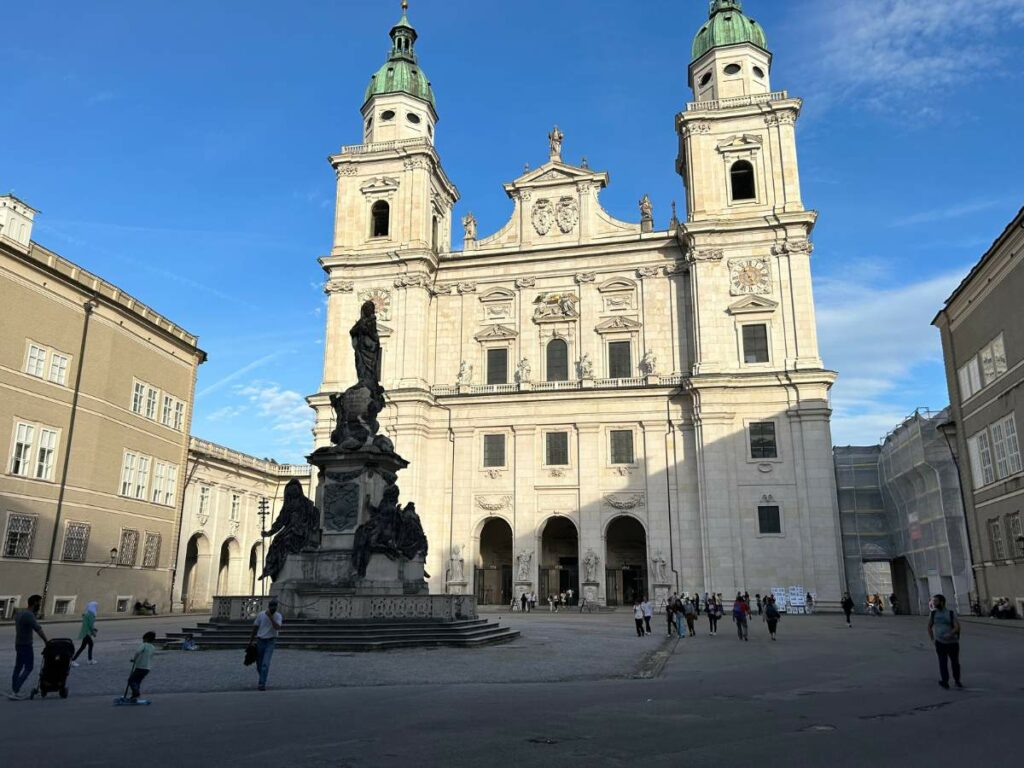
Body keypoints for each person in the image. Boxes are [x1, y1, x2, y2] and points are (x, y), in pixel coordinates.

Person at [8, 595, 47, 700]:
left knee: (18, 667)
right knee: (29, 667)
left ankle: (14, 690)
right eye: (39, 602)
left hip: (18, 643)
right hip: (26, 645)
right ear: (34, 603)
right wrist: (46, 641)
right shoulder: (29, 615)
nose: (40, 605)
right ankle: (15, 690)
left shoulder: (20, 613)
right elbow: (38, 629)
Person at [248, 598, 283, 691]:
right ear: (269, 607)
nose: (273, 609)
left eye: (274, 607)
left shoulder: (278, 616)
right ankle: (263, 676)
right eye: (272, 607)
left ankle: (261, 683)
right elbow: (255, 627)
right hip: (260, 641)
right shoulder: (261, 615)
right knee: (259, 664)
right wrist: (251, 641)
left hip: (271, 641)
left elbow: (278, 628)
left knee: (265, 663)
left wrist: (271, 618)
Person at [928, 594, 962, 689]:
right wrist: (932, 639)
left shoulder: (950, 613)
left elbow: (957, 626)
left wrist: (950, 634)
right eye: (933, 601)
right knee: (942, 662)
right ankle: (945, 681)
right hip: (940, 642)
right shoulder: (933, 613)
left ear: (942, 602)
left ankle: (957, 680)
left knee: (955, 662)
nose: (934, 603)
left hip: (952, 643)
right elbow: (929, 626)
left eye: (936, 601)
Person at [125, 631, 157, 703]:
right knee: (138, 681)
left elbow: (138, 652)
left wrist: (134, 659)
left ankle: (136, 694)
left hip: (140, 667)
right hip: (147, 668)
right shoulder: (153, 647)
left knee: (131, 680)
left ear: (146, 639)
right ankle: (134, 696)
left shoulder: (144, 645)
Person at [71, 601, 99, 667]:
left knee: (86, 646)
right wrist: (94, 633)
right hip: (87, 633)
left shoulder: (87, 613)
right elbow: (90, 625)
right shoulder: (91, 614)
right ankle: (73, 660)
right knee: (84, 647)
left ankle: (90, 659)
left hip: (85, 632)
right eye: (96, 606)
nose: (96, 608)